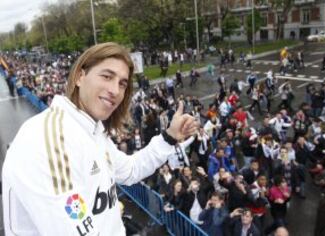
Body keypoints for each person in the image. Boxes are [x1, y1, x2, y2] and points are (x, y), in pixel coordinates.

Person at [2, 43, 199, 236]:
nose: (115, 90)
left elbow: (131, 170)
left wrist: (170, 137)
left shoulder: (91, 131)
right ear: (80, 76)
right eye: (107, 76)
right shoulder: (48, 140)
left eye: (122, 83)